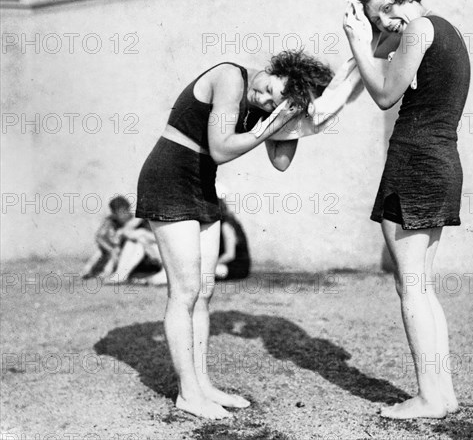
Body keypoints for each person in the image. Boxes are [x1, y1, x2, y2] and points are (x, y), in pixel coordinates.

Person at [135, 51, 332, 419]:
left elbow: (281, 161)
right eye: (271, 89)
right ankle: (187, 393)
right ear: (275, 70)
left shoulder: (271, 104)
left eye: (274, 102)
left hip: (202, 182)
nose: (264, 99)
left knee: (204, 291)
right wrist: (269, 123)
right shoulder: (231, 78)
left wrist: (295, 120)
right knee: (185, 291)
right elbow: (221, 147)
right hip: (169, 176)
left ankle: (203, 384)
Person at [343, 0, 470, 420]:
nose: (385, 26)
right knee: (421, 286)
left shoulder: (418, 28)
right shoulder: (443, 29)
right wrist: (369, 15)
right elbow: (384, 46)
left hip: (415, 161)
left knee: (411, 287)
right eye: (377, 20)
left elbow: (383, 93)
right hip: (439, 162)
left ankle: (430, 397)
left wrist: (359, 41)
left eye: (385, 12)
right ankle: (442, 393)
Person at [82, 196, 161, 282]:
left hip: (144, 255)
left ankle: (119, 274)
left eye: (125, 211)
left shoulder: (137, 220)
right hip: (120, 253)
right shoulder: (111, 221)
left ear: (128, 209)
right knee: (101, 251)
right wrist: (111, 250)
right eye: (119, 213)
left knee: (136, 240)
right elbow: (99, 237)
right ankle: (88, 271)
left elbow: (150, 239)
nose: (123, 215)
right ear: (114, 214)